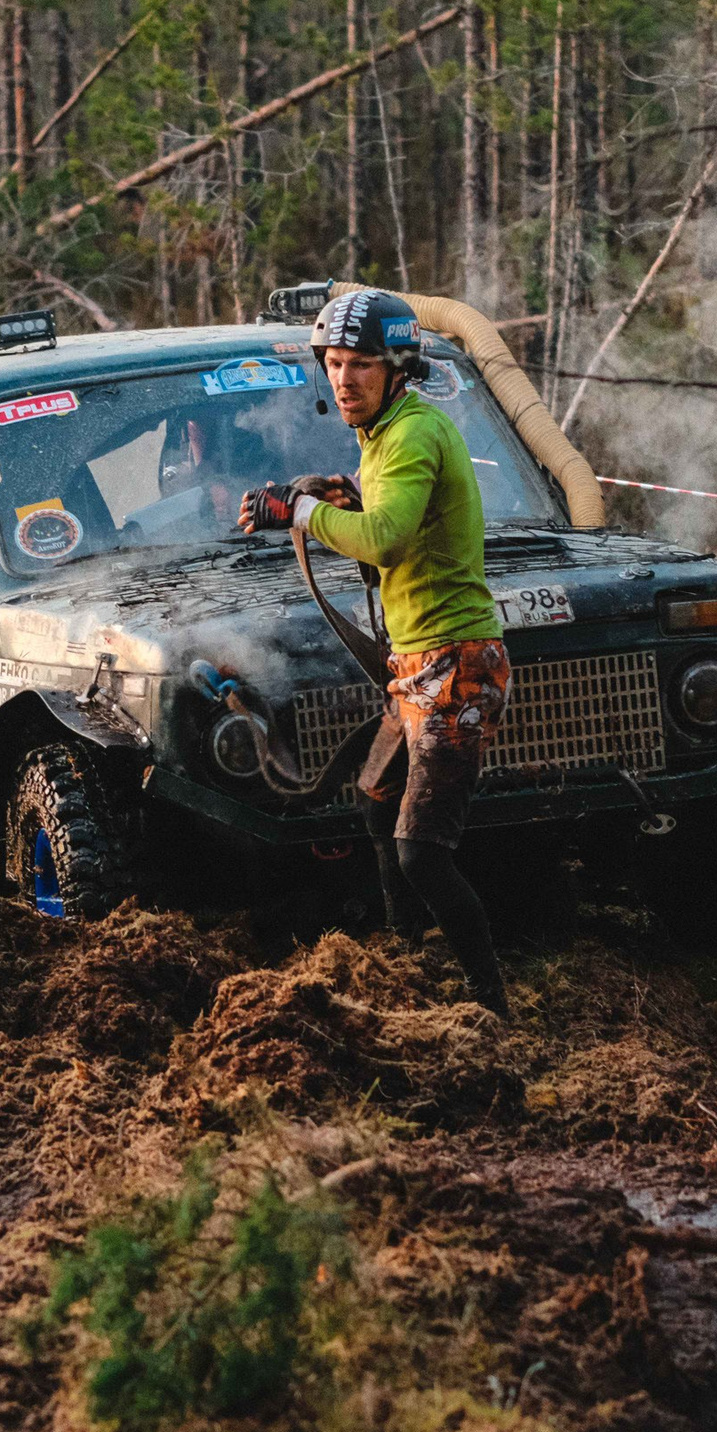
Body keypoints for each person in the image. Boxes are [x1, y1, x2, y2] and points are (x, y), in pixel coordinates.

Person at [237, 288, 512, 1016]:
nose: (343, 379)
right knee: (374, 796)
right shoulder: (390, 433)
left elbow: (386, 536)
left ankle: (492, 1000)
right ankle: (407, 957)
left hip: (457, 671)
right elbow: (388, 502)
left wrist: (301, 511)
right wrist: (336, 490)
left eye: (360, 363)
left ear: (397, 368)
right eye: (332, 362)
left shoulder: (414, 432)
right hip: (421, 668)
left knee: (423, 851)